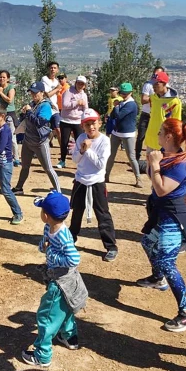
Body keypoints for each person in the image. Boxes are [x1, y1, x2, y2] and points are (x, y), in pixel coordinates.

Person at [137, 118, 186, 332]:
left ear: (169, 136)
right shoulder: (169, 156)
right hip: (162, 215)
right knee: (147, 241)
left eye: (160, 132)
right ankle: (157, 278)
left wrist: (154, 165)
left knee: (167, 262)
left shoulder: (181, 163)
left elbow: (163, 188)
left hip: (175, 218)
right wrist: (153, 163)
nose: (157, 136)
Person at [21, 191, 87, 368]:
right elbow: (44, 245)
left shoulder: (64, 236)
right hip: (56, 277)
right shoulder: (49, 228)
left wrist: (53, 255)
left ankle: (42, 355)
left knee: (47, 316)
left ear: (46, 215)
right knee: (64, 309)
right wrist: (44, 246)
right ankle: (69, 336)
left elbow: (74, 259)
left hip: (61, 282)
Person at [69, 109, 118, 262]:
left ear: (99, 123)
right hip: (80, 181)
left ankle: (111, 246)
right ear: (83, 126)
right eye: (87, 124)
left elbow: (100, 164)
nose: (91, 127)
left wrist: (88, 150)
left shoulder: (104, 141)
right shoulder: (81, 138)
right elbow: (75, 160)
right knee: (76, 212)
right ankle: (71, 239)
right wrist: (82, 149)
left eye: (93, 123)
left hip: (96, 182)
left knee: (103, 215)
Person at [13, 82, 61, 195]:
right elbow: (27, 119)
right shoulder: (33, 104)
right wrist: (25, 113)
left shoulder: (46, 106)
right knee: (24, 166)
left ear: (42, 93)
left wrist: (29, 111)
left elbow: (39, 123)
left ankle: (59, 192)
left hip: (40, 142)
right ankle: (19, 188)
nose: (33, 95)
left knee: (48, 168)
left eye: (35, 92)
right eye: (32, 92)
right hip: (28, 140)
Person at [105, 83, 142, 188]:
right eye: (122, 93)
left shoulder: (131, 104)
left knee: (131, 156)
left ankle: (138, 178)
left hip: (128, 133)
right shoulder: (122, 102)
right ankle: (106, 175)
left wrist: (116, 106)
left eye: (125, 93)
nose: (123, 95)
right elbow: (112, 115)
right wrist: (116, 107)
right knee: (111, 155)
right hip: (117, 132)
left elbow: (119, 116)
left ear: (130, 93)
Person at [144, 71, 182, 153]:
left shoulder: (175, 101)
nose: (153, 86)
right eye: (152, 84)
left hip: (165, 142)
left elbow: (177, 123)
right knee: (149, 165)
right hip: (151, 139)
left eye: (156, 84)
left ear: (164, 83)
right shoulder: (152, 98)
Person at [0, 69, 20, 166]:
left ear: (8, 79)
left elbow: (10, 100)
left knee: (11, 137)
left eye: (3, 77)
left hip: (9, 113)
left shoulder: (11, 87)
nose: (1, 79)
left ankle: (16, 158)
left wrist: (1, 93)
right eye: (0, 77)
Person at [57, 76, 88, 169]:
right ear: (76, 83)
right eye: (79, 83)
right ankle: (62, 160)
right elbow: (64, 105)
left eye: (82, 84)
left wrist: (84, 107)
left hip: (78, 121)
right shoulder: (68, 91)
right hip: (66, 120)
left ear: (84, 86)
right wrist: (77, 103)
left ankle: (80, 162)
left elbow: (86, 108)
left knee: (80, 141)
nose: (80, 85)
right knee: (64, 141)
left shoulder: (84, 95)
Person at [136, 66, 165, 161]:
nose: (156, 77)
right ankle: (137, 157)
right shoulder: (148, 85)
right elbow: (143, 100)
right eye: (155, 74)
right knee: (141, 136)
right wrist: (154, 98)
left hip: (157, 115)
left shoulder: (165, 87)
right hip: (146, 113)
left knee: (159, 136)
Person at [41, 61, 62, 144]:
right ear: (48, 69)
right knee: (44, 130)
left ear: (57, 70)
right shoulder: (44, 79)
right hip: (46, 107)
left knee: (58, 129)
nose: (53, 69)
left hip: (54, 108)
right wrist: (57, 89)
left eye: (55, 68)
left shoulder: (57, 82)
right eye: (51, 68)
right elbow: (47, 95)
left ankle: (63, 151)